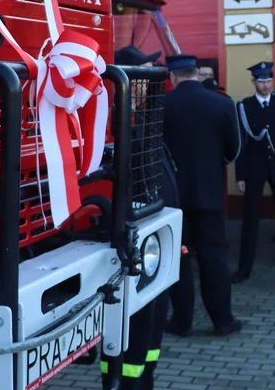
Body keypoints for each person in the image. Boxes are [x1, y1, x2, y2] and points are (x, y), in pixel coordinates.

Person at [104, 45, 178, 389]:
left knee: (151, 330)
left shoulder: (145, 119)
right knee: (131, 334)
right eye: (147, 71)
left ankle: (145, 379)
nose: (154, 79)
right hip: (134, 247)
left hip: (155, 243)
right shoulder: (116, 125)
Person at [162, 54, 242, 337]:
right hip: (209, 195)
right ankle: (223, 321)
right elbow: (233, 151)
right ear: (197, 74)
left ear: (172, 77)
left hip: (173, 198)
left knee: (179, 259)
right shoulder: (222, 103)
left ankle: (181, 322)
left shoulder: (161, 105)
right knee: (214, 258)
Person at [233, 62, 275, 282]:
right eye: (261, 81)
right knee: (250, 219)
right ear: (254, 82)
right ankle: (245, 267)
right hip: (255, 168)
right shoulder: (245, 107)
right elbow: (241, 144)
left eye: (268, 80)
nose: (265, 85)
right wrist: (240, 175)